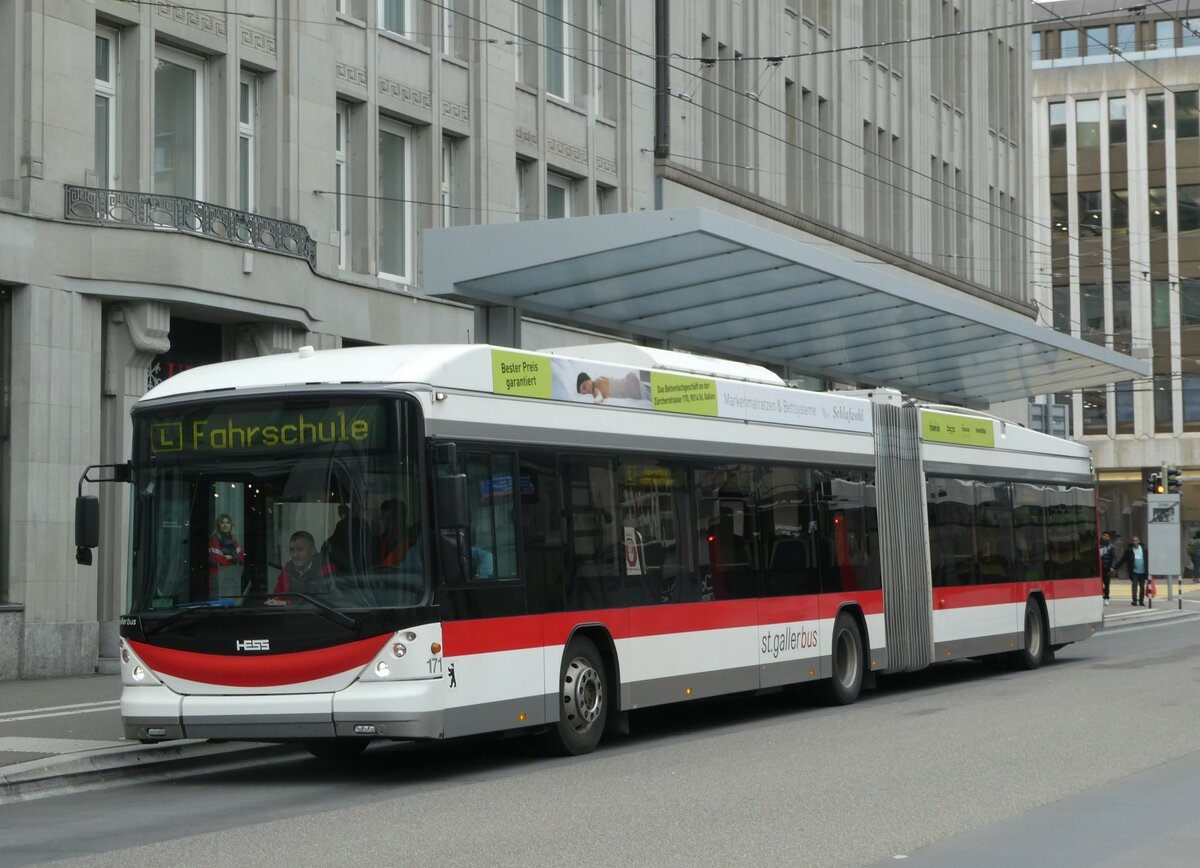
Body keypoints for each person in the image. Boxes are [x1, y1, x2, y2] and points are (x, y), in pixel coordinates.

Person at [269, 531, 334, 601]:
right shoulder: (287, 571)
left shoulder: (327, 569)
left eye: (300, 549)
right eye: (292, 550)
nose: (295, 555)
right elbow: (278, 598)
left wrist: (288, 604)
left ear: (312, 550)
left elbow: (328, 602)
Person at [208, 514, 246, 596]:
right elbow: (218, 561)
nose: (225, 525)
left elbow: (242, 558)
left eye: (227, 522)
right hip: (217, 575)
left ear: (231, 525)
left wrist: (229, 558)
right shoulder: (214, 539)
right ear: (218, 526)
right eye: (222, 523)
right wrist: (233, 558)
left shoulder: (233, 540)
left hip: (232, 575)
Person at [1114, 534, 1149, 606]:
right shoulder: (1129, 550)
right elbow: (1123, 559)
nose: (1135, 542)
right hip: (1134, 572)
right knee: (1134, 586)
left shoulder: (1144, 549)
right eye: (1133, 541)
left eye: (1136, 541)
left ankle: (1141, 601)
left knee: (1142, 587)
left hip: (1143, 572)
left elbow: (1148, 559)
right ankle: (1134, 601)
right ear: (1131, 542)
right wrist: (1115, 567)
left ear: (1138, 541)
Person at [377, 499, 414, 566]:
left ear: (400, 520)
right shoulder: (383, 539)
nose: (384, 523)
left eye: (389, 519)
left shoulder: (411, 543)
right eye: (383, 519)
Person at [576, 370, 643, 403]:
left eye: (584, 387)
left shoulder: (597, 384)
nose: (586, 392)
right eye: (584, 393)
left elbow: (599, 396)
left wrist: (597, 400)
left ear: (587, 379)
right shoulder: (599, 380)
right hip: (634, 384)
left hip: (633, 387)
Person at [1099, 531, 1116, 606]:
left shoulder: (1111, 546)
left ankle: (1106, 598)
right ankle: (1100, 597)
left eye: (1107, 536)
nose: (1106, 537)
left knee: (1107, 584)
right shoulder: (1098, 545)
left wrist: (1112, 566)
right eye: (1104, 535)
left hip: (1107, 568)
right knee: (1099, 584)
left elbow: (1113, 557)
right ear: (1102, 536)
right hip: (1099, 569)